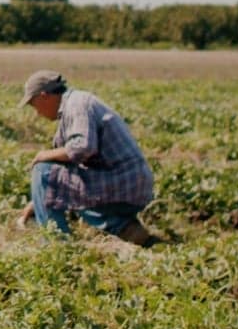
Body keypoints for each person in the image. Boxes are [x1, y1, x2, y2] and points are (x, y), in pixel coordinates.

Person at [15, 70, 157, 246]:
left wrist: (43, 155)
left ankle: (56, 245)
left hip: (124, 186)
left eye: (34, 105)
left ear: (44, 96)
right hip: (131, 186)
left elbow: (83, 147)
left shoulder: (77, 105)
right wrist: (36, 201)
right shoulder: (74, 105)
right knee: (61, 181)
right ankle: (124, 229)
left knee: (43, 169)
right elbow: (66, 176)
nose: (37, 113)